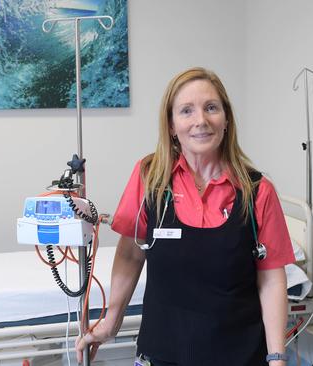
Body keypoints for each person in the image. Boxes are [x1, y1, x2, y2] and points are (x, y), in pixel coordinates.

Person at [75, 67, 295, 365]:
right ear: (170, 124)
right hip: (164, 352)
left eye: (211, 108)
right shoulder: (150, 177)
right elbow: (130, 254)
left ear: (226, 119)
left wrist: (277, 357)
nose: (200, 121)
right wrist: (111, 321)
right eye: (186, 111)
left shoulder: (257, 191)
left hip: (240, 355)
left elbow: (270, 279)